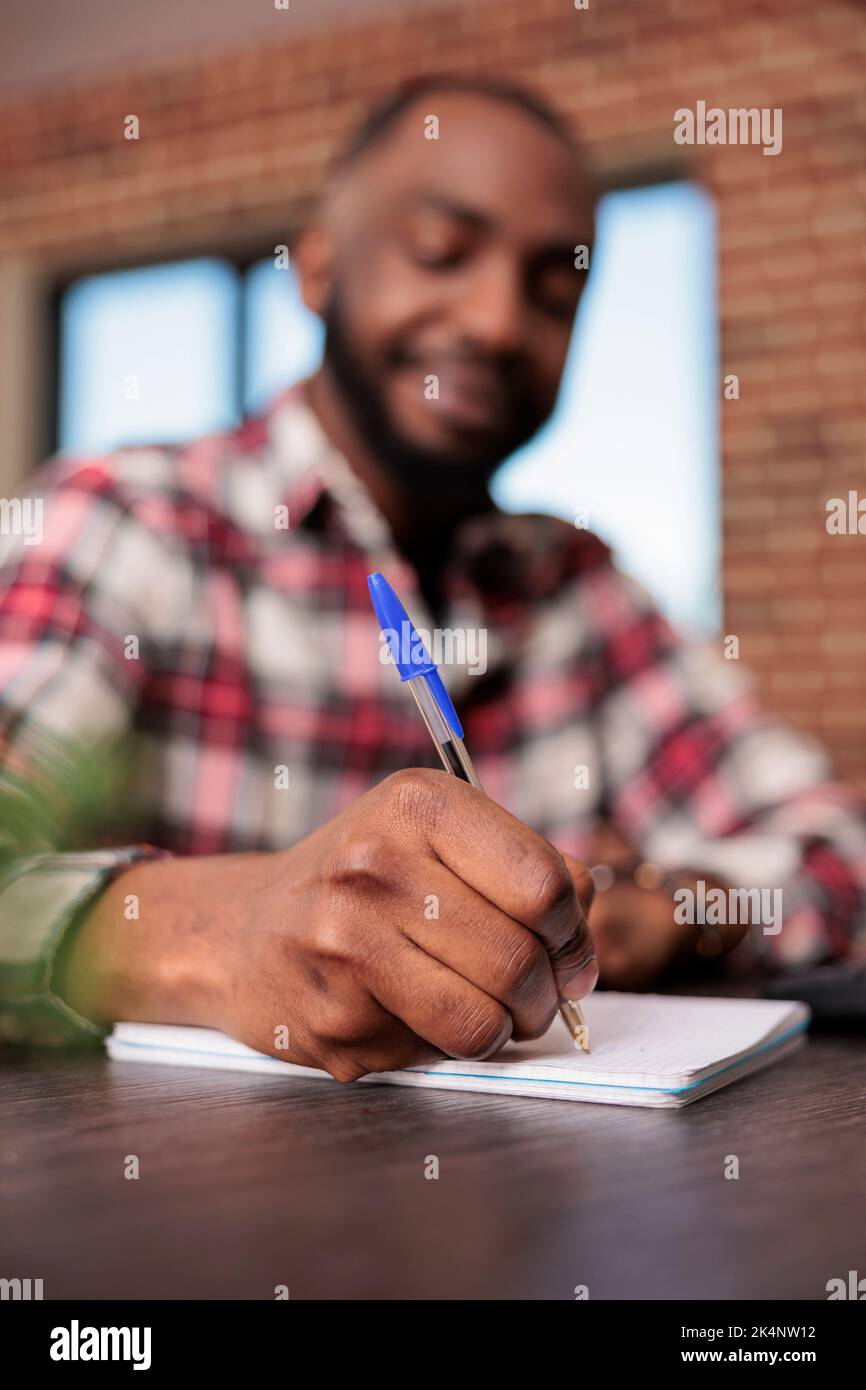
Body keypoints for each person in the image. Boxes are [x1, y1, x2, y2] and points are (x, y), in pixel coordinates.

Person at [0, 75, 863, 1077]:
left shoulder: (576, 591)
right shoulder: (123, 521)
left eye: (552, 288)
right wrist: (213, 930)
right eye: (440, 250)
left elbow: (835, 848)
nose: (498, 322)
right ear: (317, 264)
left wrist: (673, 907)